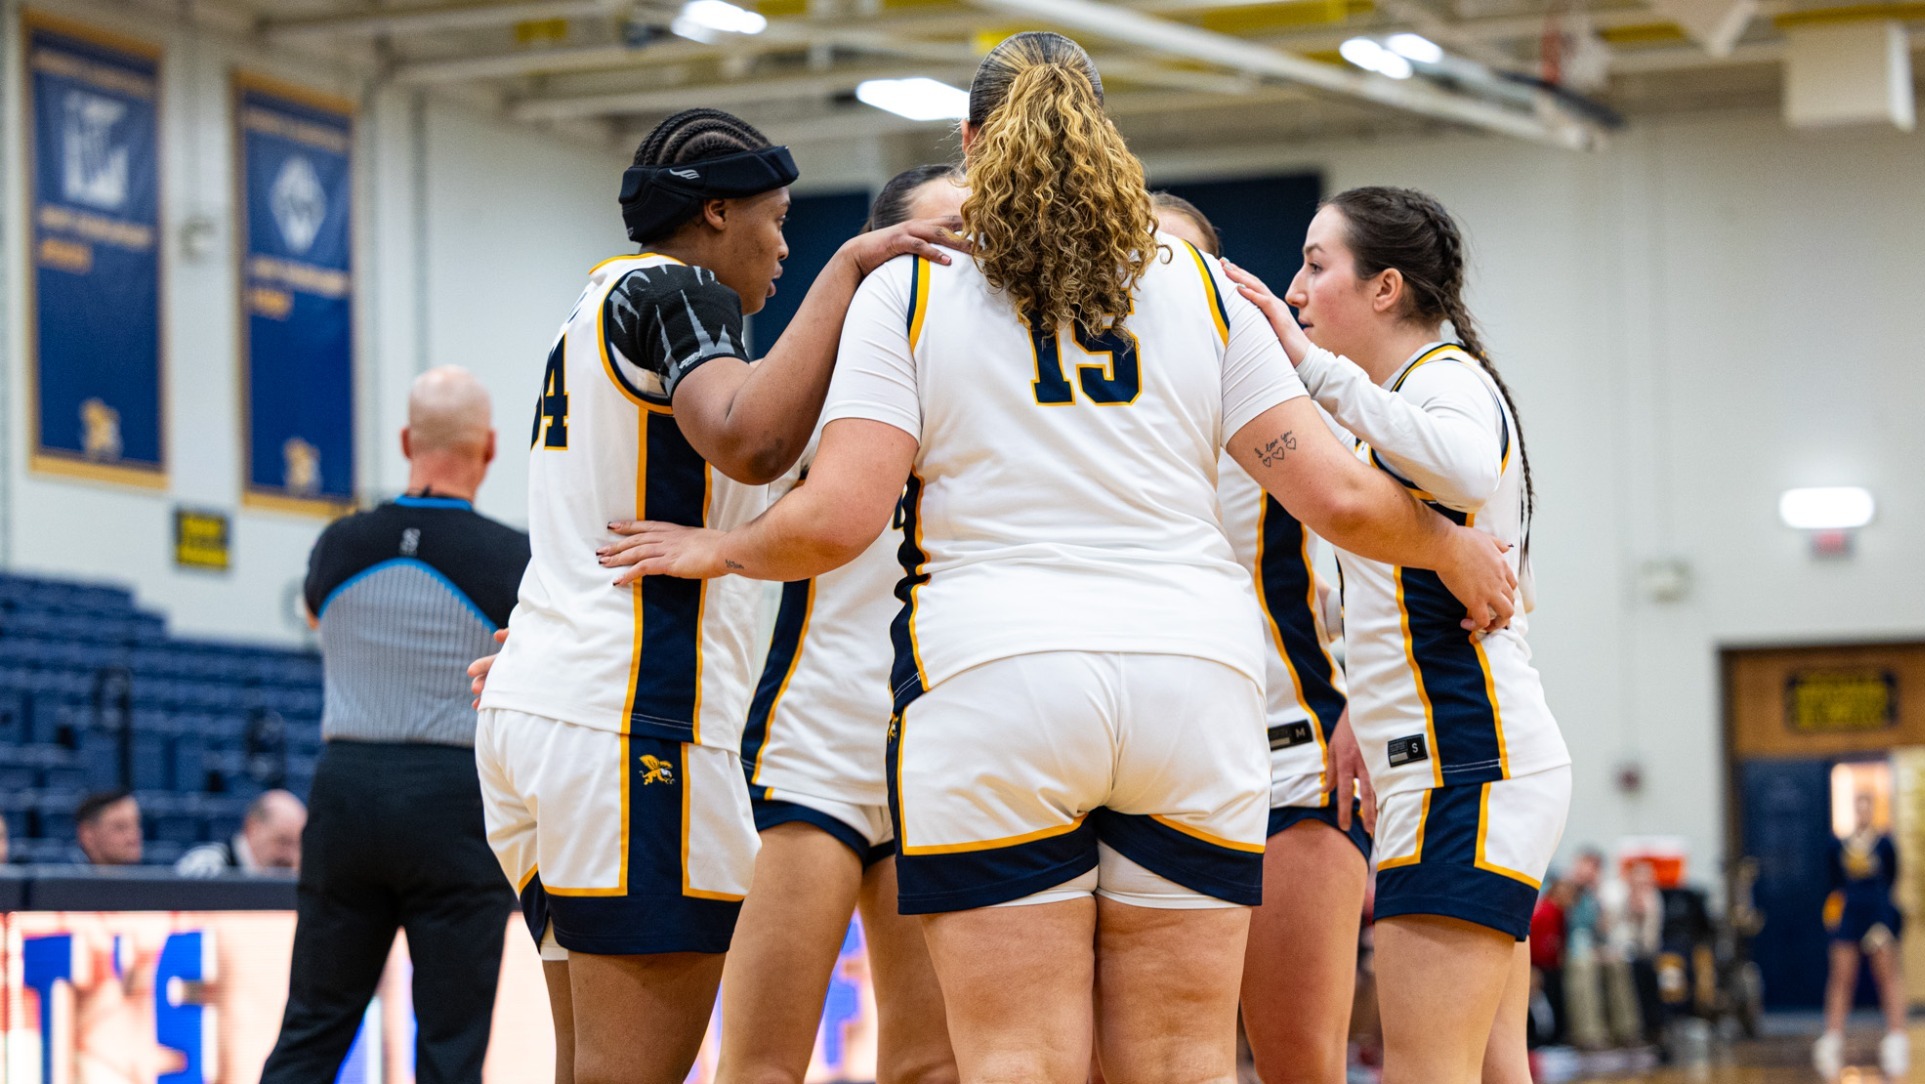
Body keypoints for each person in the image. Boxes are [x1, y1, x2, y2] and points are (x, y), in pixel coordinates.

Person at [602, 34, 1516, 1083]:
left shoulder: (912, 288)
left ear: (971, 142)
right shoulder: (1201, 286)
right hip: (1190, 685)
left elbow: (838, 518)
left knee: (1016, 1055)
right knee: (1180, 1057)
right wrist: (1447, 544)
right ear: (1104, 136)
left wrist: (716, 548)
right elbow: (1342, 495)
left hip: (997, 681)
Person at [469, 107, 963, 1084]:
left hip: (557, 710)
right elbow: (750, 438)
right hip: (635, 723)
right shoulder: (679, 292)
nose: (786, 244)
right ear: (715, 212)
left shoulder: (595, 308)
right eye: (776, 219)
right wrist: (851, 270)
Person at [1227, 186, 1571, 1084]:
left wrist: (1308, 367)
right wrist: (1360, 712)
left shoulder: (1442, 381)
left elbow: (1462, 464)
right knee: (1493, 1069)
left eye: (1314, 265)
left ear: (1384, 289)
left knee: (1426, 1071)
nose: (1294, 291)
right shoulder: (1402, 400)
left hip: (1468, 764)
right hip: (1452, 761)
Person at [711, 164, 964, 1084]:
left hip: (942, 748)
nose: (958, 253)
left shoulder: (1003, 396)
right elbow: (708, 544)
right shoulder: (812, 392)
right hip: (810, 739)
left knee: (930, 1067)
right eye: (938, 233)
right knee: (763, 1064)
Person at [1154, 191, 1373, 1084]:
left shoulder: (1288, 397)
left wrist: (1371, 696)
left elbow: (1386, 547)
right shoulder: (1075, 413)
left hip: (1288, 747)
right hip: (1145, 758)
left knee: (1297, 1060)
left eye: (1174, 261)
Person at [259, 366, 528, 1084]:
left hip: (344, 790)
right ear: (491, 448)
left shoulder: (339, 543)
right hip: (452, 799)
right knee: (449, 1042)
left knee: (312, 1026)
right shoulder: (512, 558)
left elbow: (319, 616)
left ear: (407, 439)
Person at [1815, 791, 1908, 1077]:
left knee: (1887, 972)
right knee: (1842, 974)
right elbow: (1832, 879)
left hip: (1877, 912)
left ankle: (1896, 1033)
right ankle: (1833, 1034)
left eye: (1868, 807)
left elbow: (1892, 874)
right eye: (1859, 807)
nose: (1863, 812)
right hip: (1850, 912)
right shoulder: (1838, 844)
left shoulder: (1885, 844)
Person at [176, 789, 306, 876]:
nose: (291, 855)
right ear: (252, 826)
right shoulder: (205, 866)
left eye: (298, 846)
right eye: (283, 842)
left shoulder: (292, 876)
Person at [75, 790, 142, 866]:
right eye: (120, 827)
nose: (132, 838)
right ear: (88, 835)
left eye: (136, 825)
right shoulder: (65, 876)